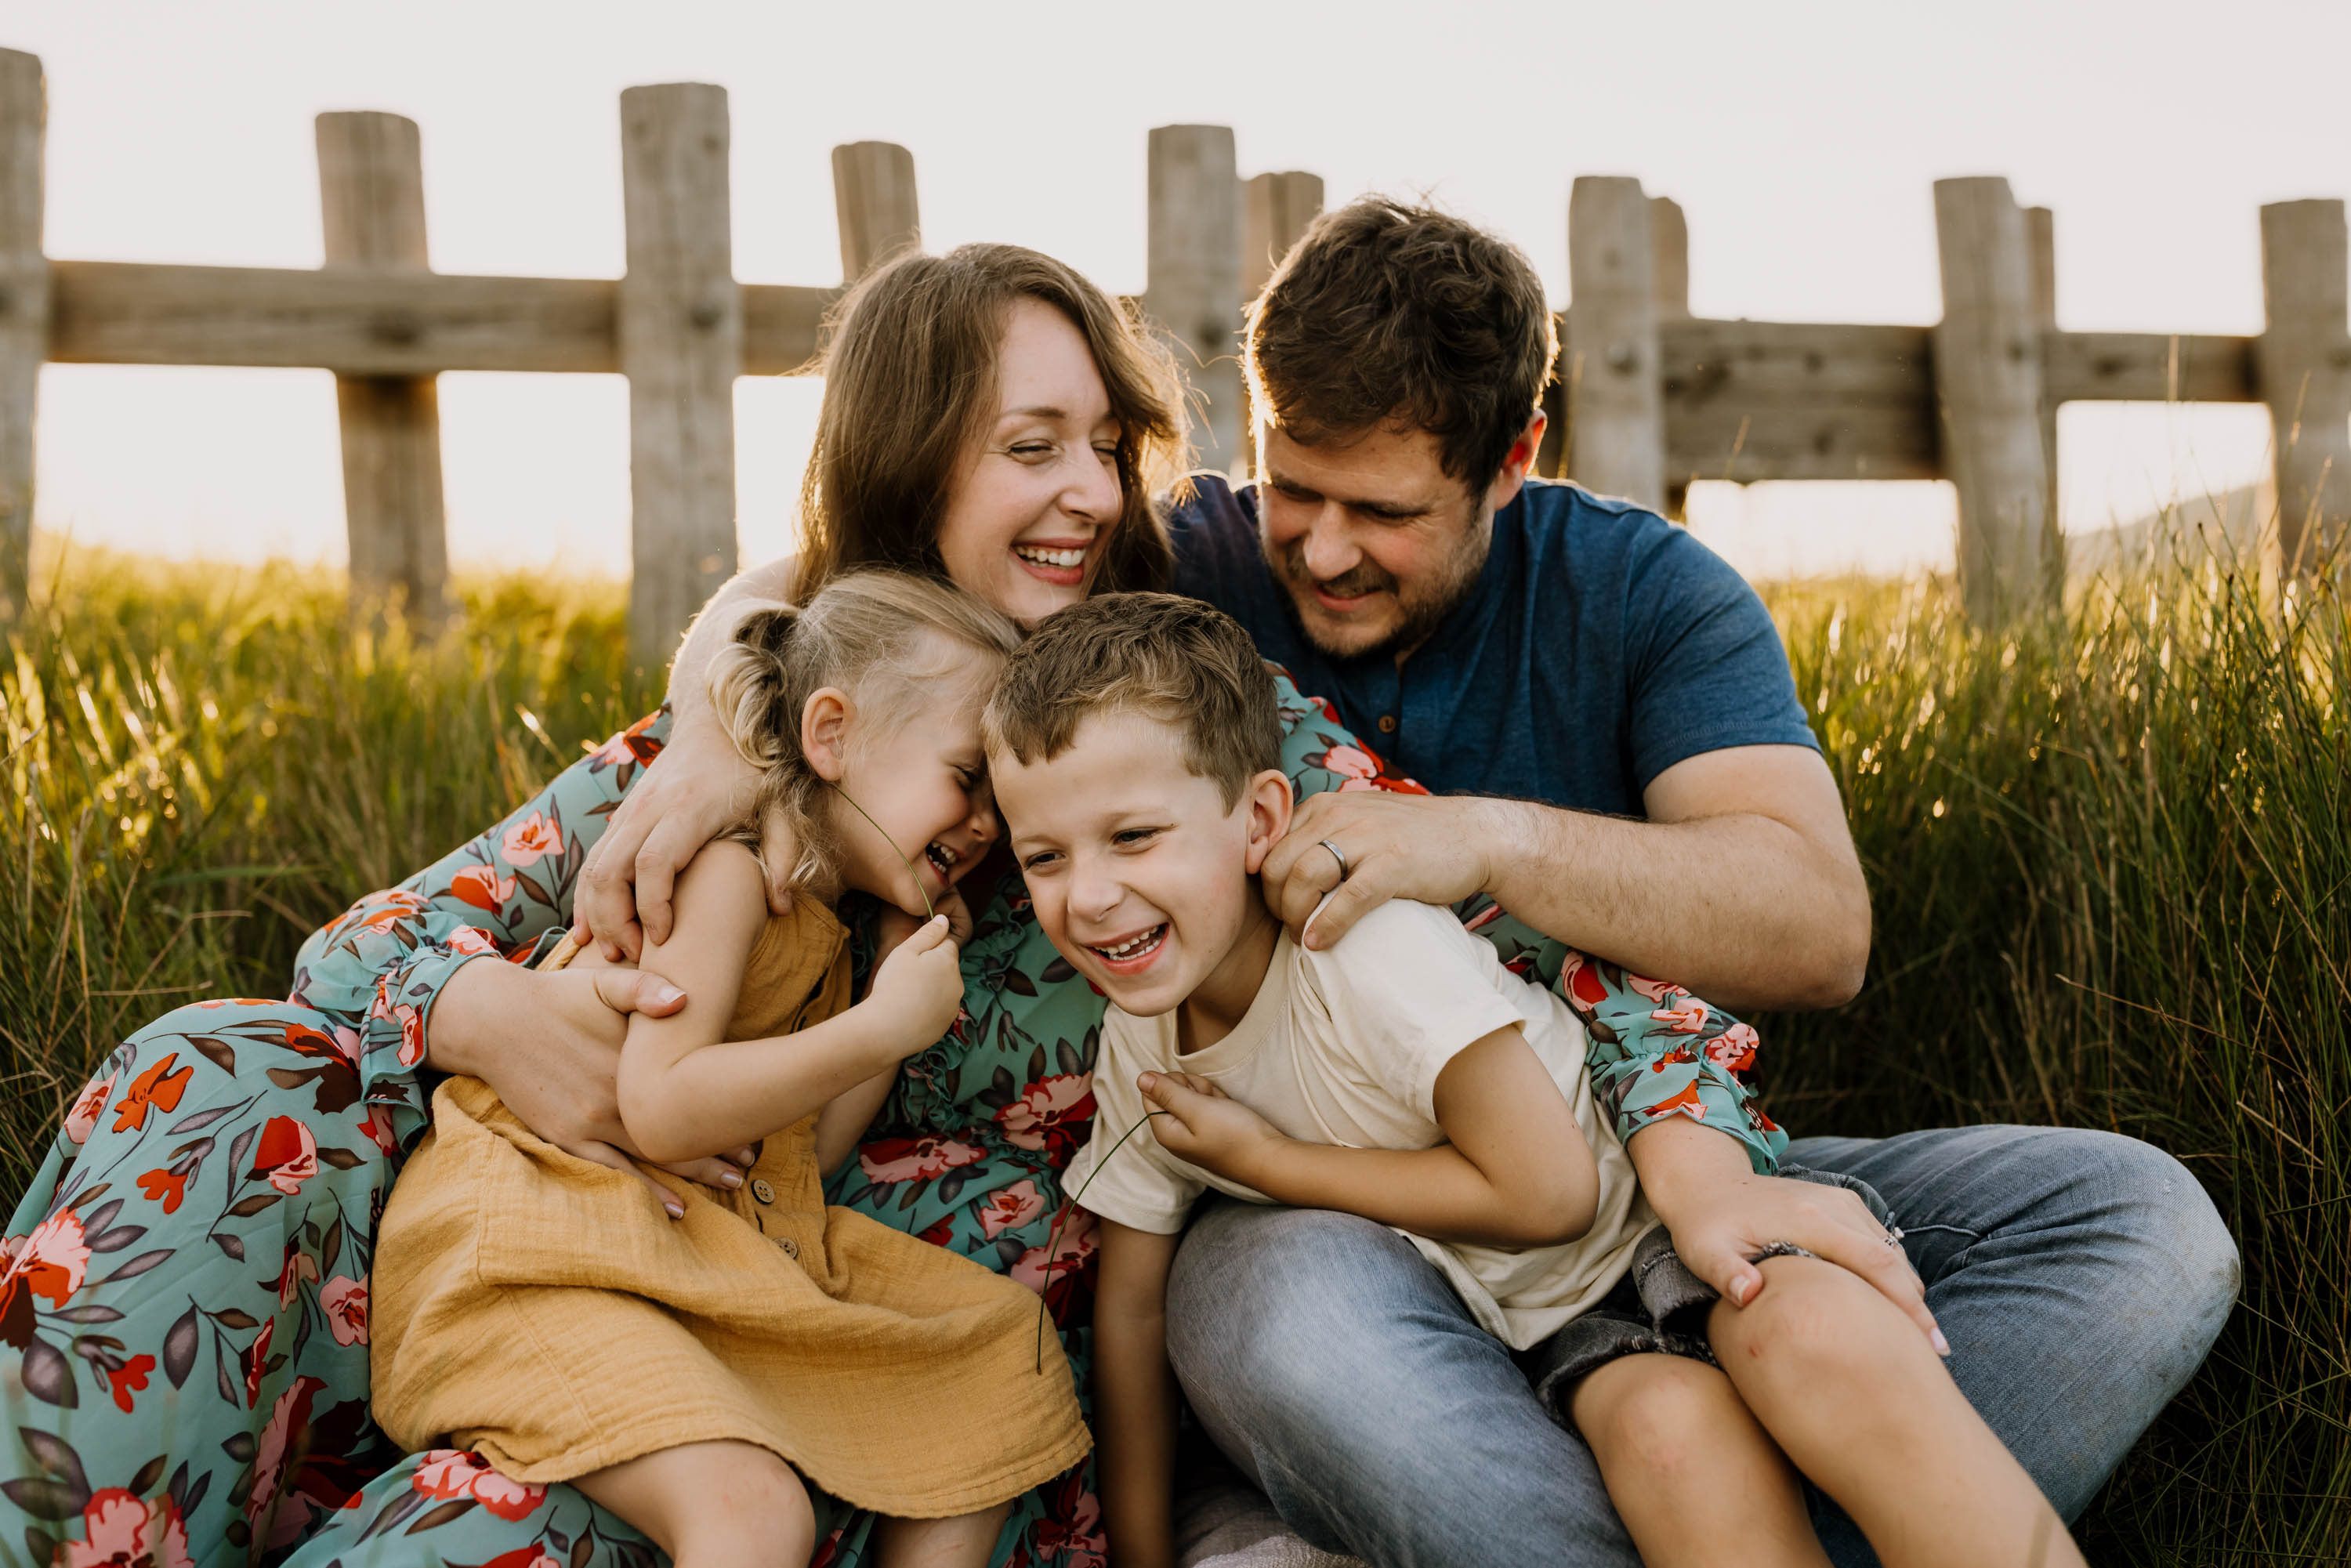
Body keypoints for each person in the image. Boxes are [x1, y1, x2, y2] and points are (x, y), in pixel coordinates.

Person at [0, 241, 1432, 1568]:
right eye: (1032, 446)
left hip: (842, 1350)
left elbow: (1481, 936)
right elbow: (363, 948)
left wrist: (1653, 1128)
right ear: (908, 472)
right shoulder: (754, 739)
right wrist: (500, 1014)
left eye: (1109, 447)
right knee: (210, 1078)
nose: (1095, 491)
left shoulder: (1207, 722)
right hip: (547, 1229)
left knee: (546, 1516)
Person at [984, 592, 2088, 1568]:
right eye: (1045, 857)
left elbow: (1549, 1192)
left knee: (1814, 1345)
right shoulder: (1144, 1043)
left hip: (1660, 1215)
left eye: (1132, 836)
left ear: (1260, 821)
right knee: (1670, 1443)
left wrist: (1271, 1163)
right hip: (1563, 1326)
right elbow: (1131, 1306)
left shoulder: (1363, 949)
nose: (1087, 896)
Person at [371, 572, 1089, 1568]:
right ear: (830, 735)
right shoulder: (729, 872)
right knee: (751, 1515)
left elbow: (803, 1156)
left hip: (685, 1251)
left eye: (1000, 814)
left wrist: (889, 976)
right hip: (541, 1248)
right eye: (967, 780)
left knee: (1005, 1358)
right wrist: (878, 1030)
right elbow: (662, 1109)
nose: (983, 829)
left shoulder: (831, 926)